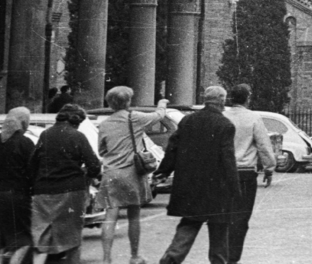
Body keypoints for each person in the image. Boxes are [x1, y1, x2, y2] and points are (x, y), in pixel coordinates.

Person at [156, 85, 240, 264]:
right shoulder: (225, 125)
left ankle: (171, 259)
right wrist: (235, 188)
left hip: (190, 185)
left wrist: (163, 171)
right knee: (219, 230)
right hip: (217, 187)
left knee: (188, 224)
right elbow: (228, 160)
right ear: (222, 101)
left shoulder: (187, 121)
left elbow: (173, 149)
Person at [96, 87, 173, 264]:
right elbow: (158, 116)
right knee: (134, 215)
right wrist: (161, 104)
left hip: (111, 173)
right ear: (128, 102)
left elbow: (102, 149)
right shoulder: (135, 118)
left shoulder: (105, 124)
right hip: (132, 173)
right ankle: (134, 255)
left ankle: (106, 259)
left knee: (110, 215)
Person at [29, 103, 100, 264]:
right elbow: (94, 166)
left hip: (43, 192)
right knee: (72, 237)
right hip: (71, 192)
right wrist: (86, 174)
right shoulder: (77, 136)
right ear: (76, 121)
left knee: (41, 239)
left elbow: (32, 164)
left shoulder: (45, 135)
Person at [221, 84, 275, 264]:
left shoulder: (222, 116)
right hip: (244, 173)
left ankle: (221, 255)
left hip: (222, 173)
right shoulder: (253, 118)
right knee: (241, 218)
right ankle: (232, 258)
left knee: (223, 216)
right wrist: (269, 168)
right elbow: (264, 146)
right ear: (247, 98)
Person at [0, 106, 35, 264]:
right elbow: (32, 173)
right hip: (16, 196)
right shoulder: (25, 143)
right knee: (22, 240)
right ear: (23, 123)